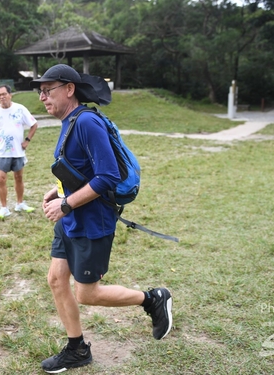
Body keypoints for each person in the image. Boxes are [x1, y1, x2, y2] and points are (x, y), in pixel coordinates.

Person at [32, 64, 173, 373]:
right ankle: (77, 349)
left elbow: (107, 176)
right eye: (40, 92)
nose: (42, 97)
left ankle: (152, 299)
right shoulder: (70, 121)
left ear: (69, 89)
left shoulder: (87, 122)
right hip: (71, 219)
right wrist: (58, 190)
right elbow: (82, 168)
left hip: (92, 222)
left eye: (48, 90)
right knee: (56, 279)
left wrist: (66, 204)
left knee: (88, 293)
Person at [0, 84, 38, 219]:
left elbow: (34, 124)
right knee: (1, 179)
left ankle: (20, 203)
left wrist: (27, 140)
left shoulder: (20, 109)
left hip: (18, 151)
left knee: (18, 177)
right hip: (2, 152)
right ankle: (4, 208)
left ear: (10, 95)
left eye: (4, 94)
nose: (2, 97)